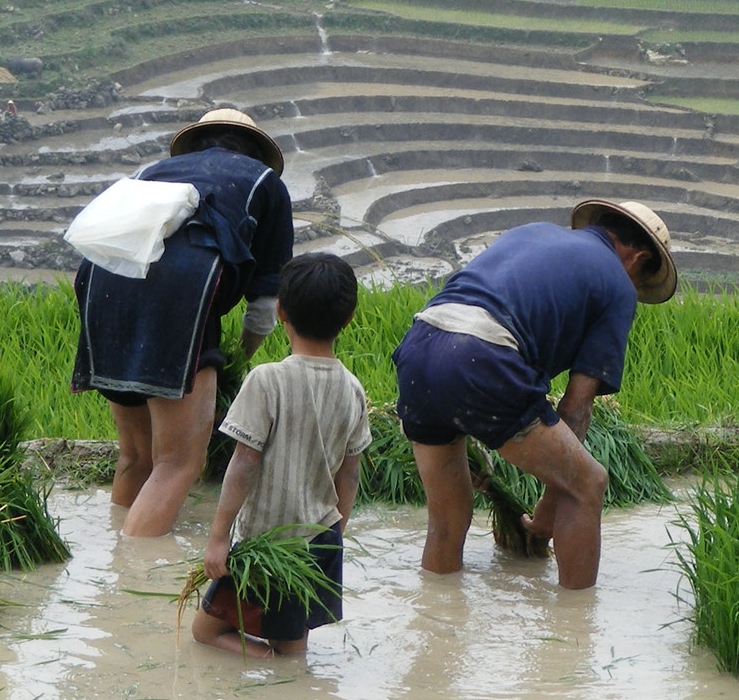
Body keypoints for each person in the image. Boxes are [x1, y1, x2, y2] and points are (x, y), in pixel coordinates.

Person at [390, 199, 678, 590]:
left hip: (419, 348)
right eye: (640, 280)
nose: (635, 290)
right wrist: (550, 504)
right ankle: (573, 634)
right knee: (589, 484)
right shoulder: (616, 282)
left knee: (447, 518)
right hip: (481, 357)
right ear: (637, 257)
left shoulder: (533, 231)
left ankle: (436, 621)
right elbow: (576, 408)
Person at [71, 107, 294, 536]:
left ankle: (113, 564)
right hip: (182, 290)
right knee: (178, 463)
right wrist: (236, 358)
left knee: (136, 458)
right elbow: (265, 306)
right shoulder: (265, 182)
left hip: (102, 285)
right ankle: (134, 578)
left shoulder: (154, 171)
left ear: (198, 142)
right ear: (257, 150)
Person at [193, 253, 370, 658]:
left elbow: (244, 462)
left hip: (270, 540)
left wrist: (219, 537)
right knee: (293, 644)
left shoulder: (267, 379)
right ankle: (289, 688)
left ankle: (270, 667)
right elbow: (350, 473)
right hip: (320, 538)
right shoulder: (352, 388)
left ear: (280, 311)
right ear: (350, 318)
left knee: (206, 632)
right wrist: (337, 534)